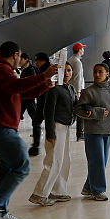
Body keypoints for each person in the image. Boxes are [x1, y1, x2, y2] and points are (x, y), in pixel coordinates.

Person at [0, 40, 59, 219]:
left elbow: (20, 94)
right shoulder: (1, 70)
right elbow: (16, 87)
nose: (19, 60)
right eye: (19, 57)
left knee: (7, 172)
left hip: (0, 129)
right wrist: (42, 76)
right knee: (22, 166)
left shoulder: (3, 72)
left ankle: (0, 214)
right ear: (15, 55)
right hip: (1, 129)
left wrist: (44, 85)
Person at [29, 63, 76, 207]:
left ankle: (58, 191)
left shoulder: (71, 88)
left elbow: (76, 106)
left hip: (66, 127)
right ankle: (40, 194)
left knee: (64, 160)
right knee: (53, 161)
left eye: (69, 70)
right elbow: (47, 112)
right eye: (63, 70)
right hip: (56, 127)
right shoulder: (53, 89)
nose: (66, 73)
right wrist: (50, 132)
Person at [75, 63, 110, 201]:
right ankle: (98, 190)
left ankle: (89, 187)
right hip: (93, 131)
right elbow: (78, 110)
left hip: (107, 130)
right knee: (97, 162)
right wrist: (97, 113)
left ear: (107, 73)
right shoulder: (88, 91)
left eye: (100, 72)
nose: (97, 75)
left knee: (102, 162)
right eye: (95, 72)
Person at [68, 42, 86, 141]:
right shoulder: (77, 62)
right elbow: (77, 78)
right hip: (76, 90)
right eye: (82, 49)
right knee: (80, 112)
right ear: (79, 50)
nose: (83, 50)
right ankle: (80, 133)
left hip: (71, 89)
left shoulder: (71, 59)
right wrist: (78, 91)